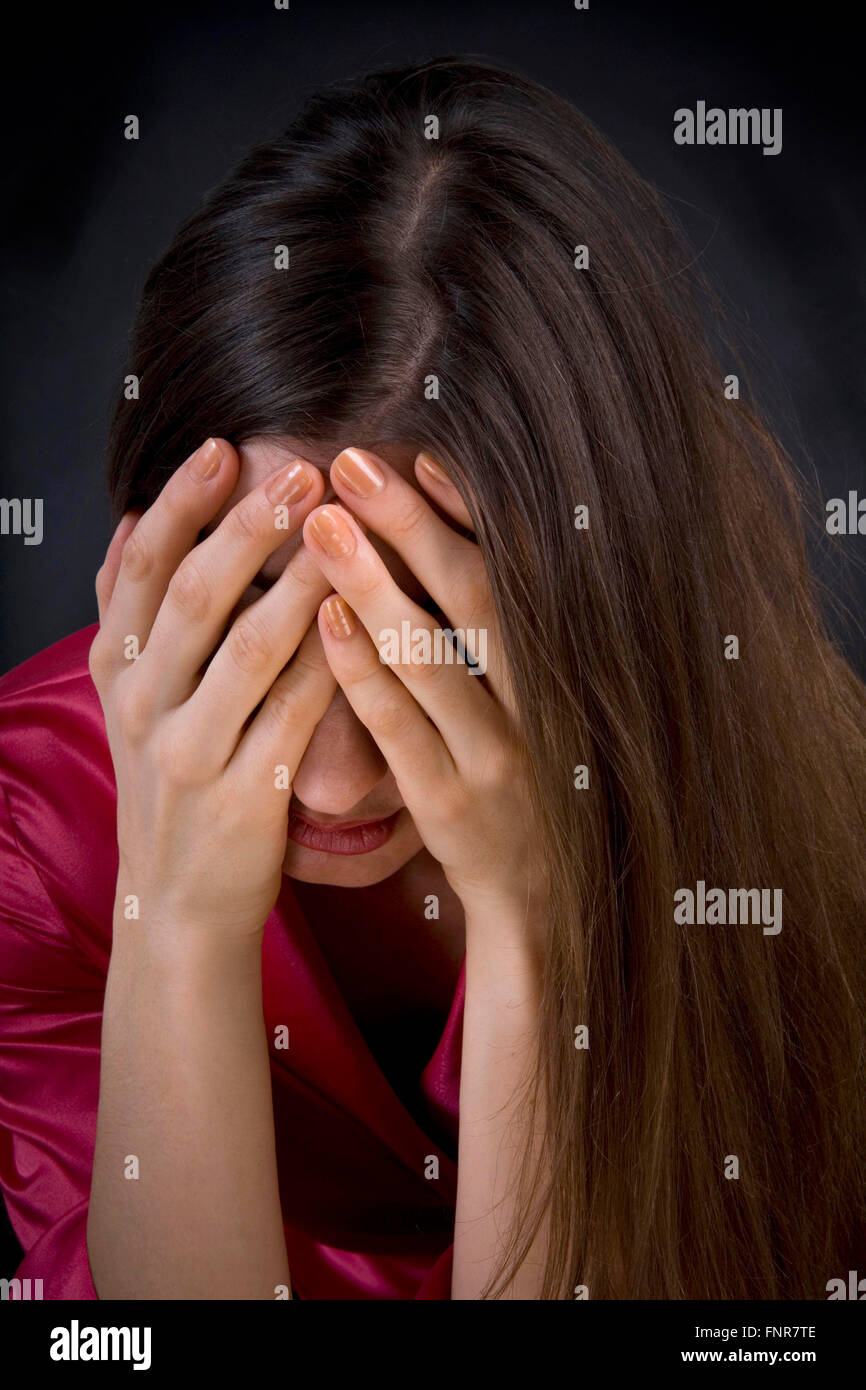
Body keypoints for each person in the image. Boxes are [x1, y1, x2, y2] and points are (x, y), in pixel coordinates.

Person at [1, 55, 864, 1301]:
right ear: (143, 566)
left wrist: (534, 916)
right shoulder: (35, 832)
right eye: (265, 616)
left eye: (439, 639)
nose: (342, 778)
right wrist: (176, 915)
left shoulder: (773, 804)